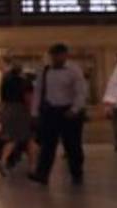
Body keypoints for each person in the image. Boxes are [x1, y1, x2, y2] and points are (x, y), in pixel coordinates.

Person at [29, 43, 88, 186]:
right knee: (48, 144)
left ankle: (76, 173)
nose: (56, 58)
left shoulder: (74, 70)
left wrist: (74, 109)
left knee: (72, 144)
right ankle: (42, 174)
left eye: (59, 55)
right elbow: (38, 92)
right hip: (50, 111)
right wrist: (35, 112)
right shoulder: (44, 70)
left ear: (65, 55)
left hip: (69, 111)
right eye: (54, 56)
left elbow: (81, 92)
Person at [0, 63, 35, 175]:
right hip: (20, 110)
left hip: (7, 109)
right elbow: (28, 98)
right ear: (21, 72)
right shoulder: (25, 82)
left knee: (14, 138)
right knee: (27, 138)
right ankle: (32, 167)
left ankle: (4, 162)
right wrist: (31, 112)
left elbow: (2, 100)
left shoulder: (5, 83)